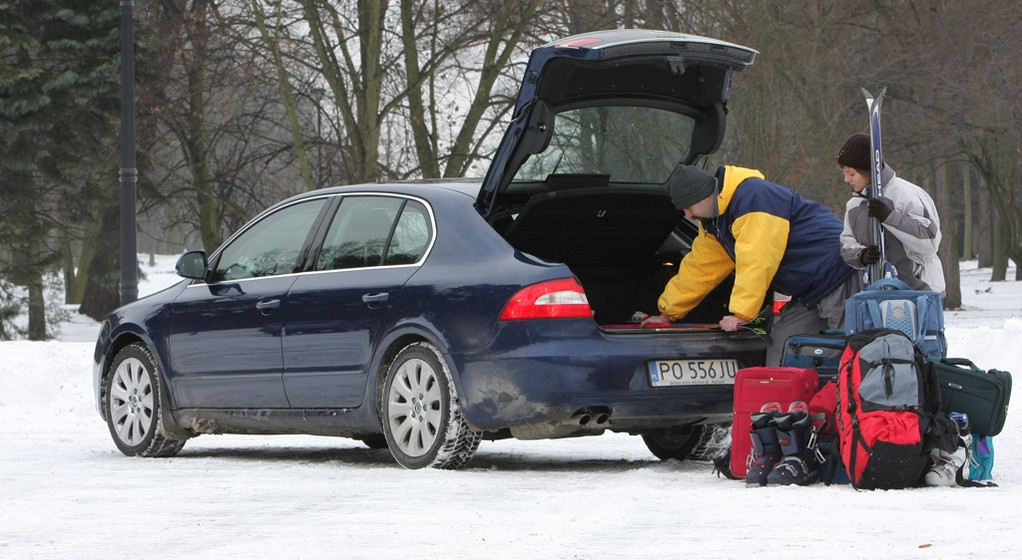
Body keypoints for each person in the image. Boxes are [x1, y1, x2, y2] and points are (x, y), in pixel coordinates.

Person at [642, 164, 857, 366]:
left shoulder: (754, 198)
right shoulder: (715, 221)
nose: (688, 215)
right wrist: (667, 313)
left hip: (837, 274)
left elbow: (757, 259)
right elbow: (700, 270)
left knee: (851, 351)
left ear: (705, 195)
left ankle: (855, 401)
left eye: (689, 207)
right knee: (783, 346)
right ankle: (779, 405)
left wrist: (741, 314)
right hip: (808, 290)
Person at [836, 133, 945, 295]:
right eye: (844, 173)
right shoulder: (854, 205)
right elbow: (846, 244)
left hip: (919, 291)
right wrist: (861, 255)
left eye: (851, 173)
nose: (846, 179)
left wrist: (889, 217)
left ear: (869, 170)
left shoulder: (906, 195)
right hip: (876, 293)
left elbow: (929, 241)